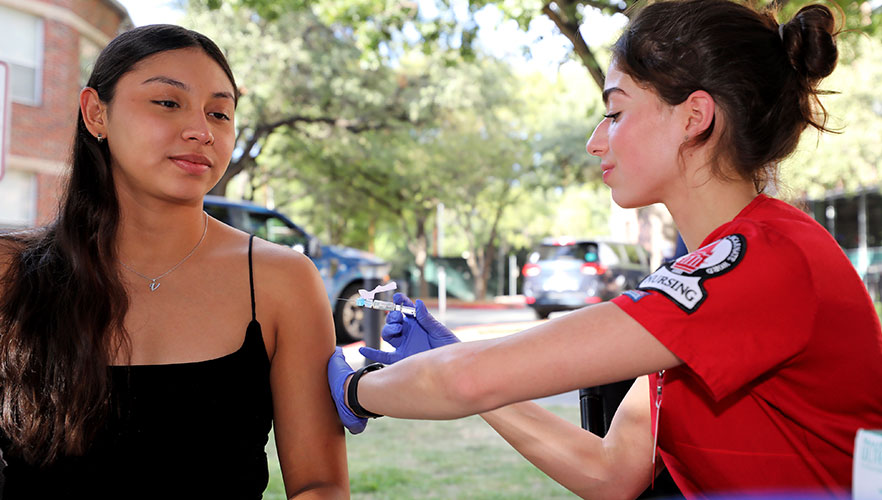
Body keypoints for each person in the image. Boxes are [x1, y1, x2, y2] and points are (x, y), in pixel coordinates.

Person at [327, 0, 882, 497]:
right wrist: (442, 358)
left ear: (694, 117)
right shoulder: (714, 271)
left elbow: (468, 379)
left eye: (615, 112)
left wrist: (354, 389)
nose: (596, 140)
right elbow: (613, 470)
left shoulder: (763, 260)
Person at [0, 25, 348, 499]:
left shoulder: (281, 280)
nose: (201, 131)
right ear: (95, 113)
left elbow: (319, 484)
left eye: (219, 113)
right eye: (167, 102)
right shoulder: (12, 273)